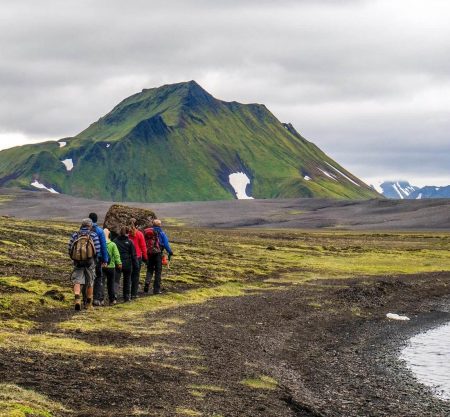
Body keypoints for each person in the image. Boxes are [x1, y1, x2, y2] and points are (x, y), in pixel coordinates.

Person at [68, 218, 101, 310]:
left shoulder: (75, 235)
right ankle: (88, 303)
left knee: (77, 281)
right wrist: (95, 260)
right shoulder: (93, 235)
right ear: (90, 226)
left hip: (78, 262)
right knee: (90, 282)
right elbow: (97, 250)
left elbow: (70, 249)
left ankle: (77, 299)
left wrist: (75, 259)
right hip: (90, 263)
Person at [144, 219, 173, 295]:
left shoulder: (148, 232)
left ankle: (147, 282)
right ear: (160, 225)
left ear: (152, 224)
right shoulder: (162, 233)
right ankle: (156, 290)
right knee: (158, 271)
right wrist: (170, 252)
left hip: (149, 253)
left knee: (150, 269)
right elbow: (166, 244)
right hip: (158, 253)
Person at [89, 213, 109, 306]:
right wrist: (105, 259)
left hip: (84, 258)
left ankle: (86, 298)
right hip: (97, 258)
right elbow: (103, 246)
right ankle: (96, 299)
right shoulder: (99, 231)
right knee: (98, 277)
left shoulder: (83, 230)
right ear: (96, 220)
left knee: (87, 277)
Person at [113, 226, 138, 302]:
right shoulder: (130, 242)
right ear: (127, 233)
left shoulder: (115, 241)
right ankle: (126, 297)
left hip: (117, 263)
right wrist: (136, 265)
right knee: (127, 280)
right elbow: (133, 254)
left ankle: (114, 296)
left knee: (116, 280)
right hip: (127, 263)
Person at [128, 218, 147, 300]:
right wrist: (146, 258)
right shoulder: (139, 234)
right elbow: (143, 247)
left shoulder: (125, 233)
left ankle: (126, 294)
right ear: (137, 225)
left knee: (127, 276)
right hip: (137, 257)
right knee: (135, 276)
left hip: (127, 258)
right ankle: (134, 294)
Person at [102, 228, 122, 305]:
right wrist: (119, 263)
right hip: (111, 267)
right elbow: (117, 255)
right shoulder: (113, 244)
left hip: (102, 266)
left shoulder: (101, 244)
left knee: (102, 283)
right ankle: (112, 300)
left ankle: (101, 299)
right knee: (111, 284)